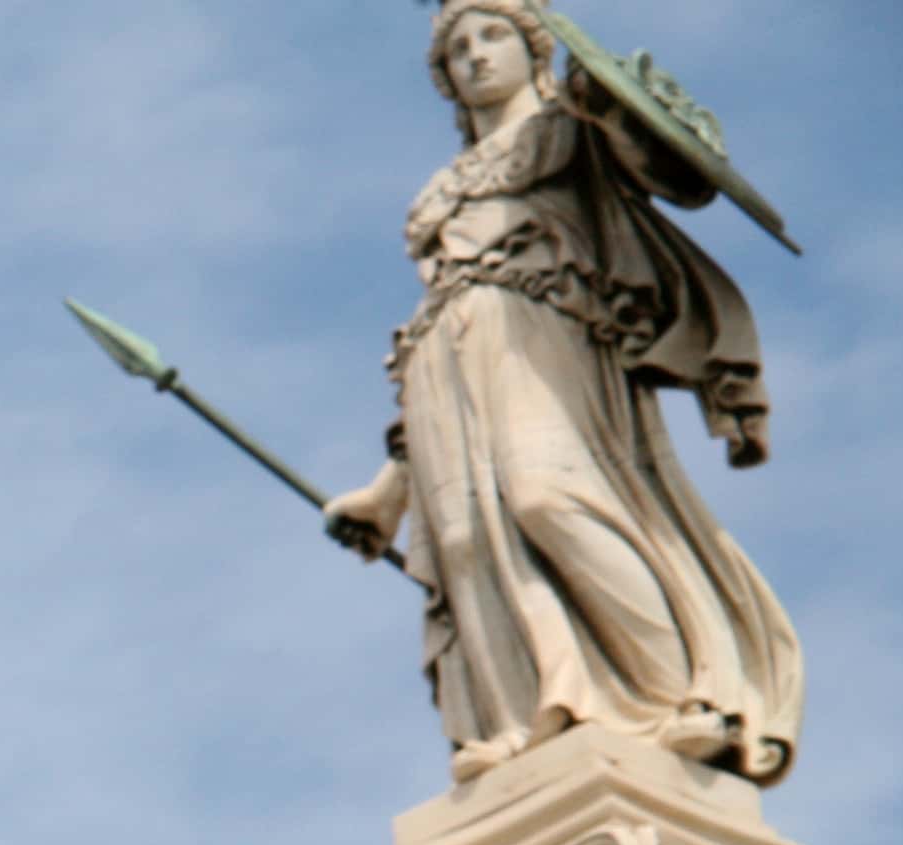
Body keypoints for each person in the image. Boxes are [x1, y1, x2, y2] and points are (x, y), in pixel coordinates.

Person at [320, 0, 799, 782]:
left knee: (546, 498)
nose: (474, 56)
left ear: (532, 45)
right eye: (457, 49)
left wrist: (618, 107)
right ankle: (528, 719)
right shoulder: (445, 190)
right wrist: (386, 497)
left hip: (543, 333)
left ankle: (688, 698)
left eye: (492, 36)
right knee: (470, 541)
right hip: (444, 357)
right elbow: (432, 319)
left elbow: (679, 179)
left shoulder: (571, 128)